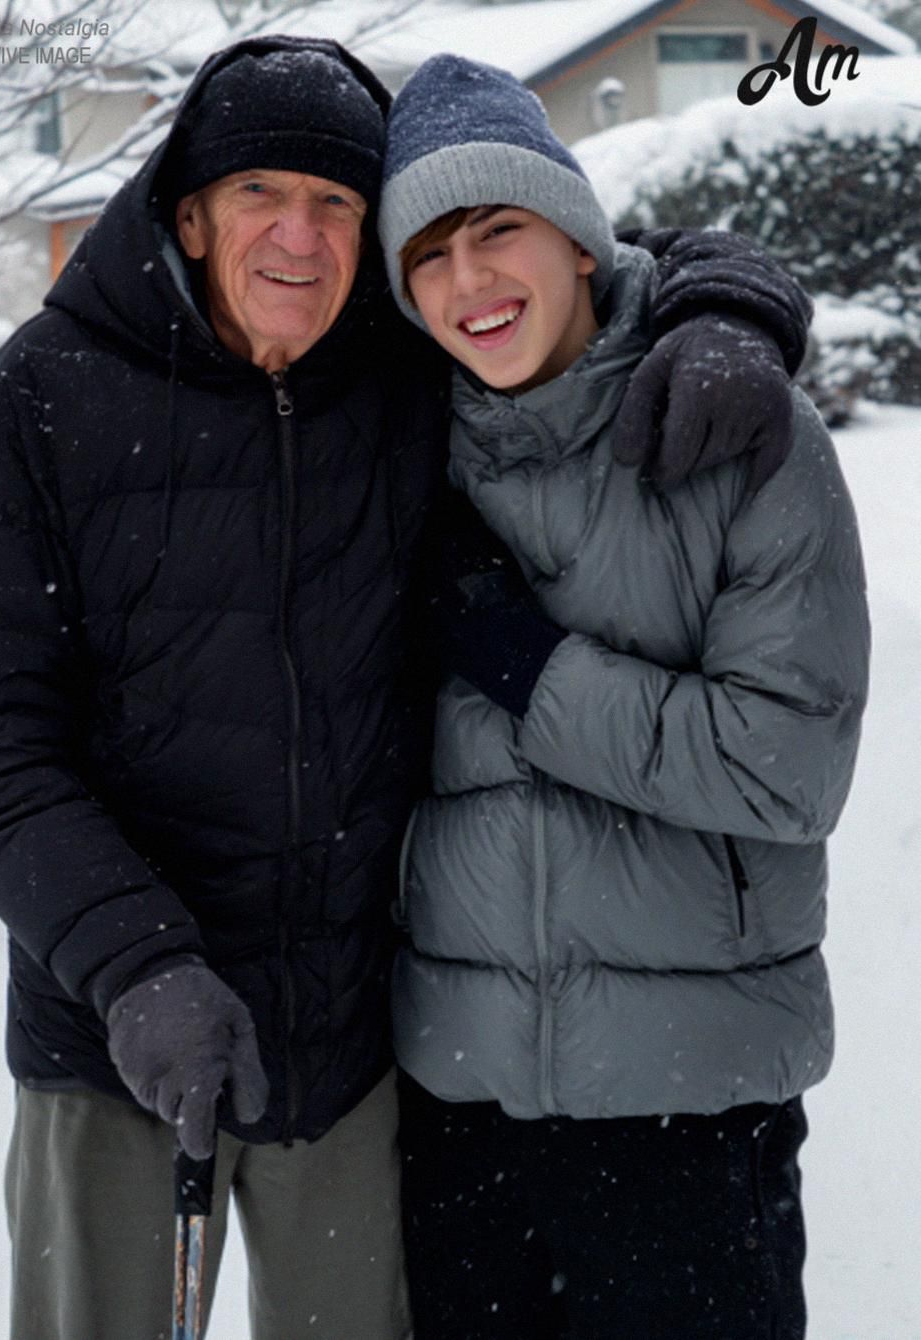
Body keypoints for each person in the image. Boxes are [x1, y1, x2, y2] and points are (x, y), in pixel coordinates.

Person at [0, 33, 814, 1340]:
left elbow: (576, 266)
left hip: (347, 1040)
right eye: (259, 193)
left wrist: (733, 305)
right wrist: (134, 962)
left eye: (336, 202)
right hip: (114, 1038)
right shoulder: (47, 395)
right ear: (188, 213)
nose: (300, 235)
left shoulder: (400, 370)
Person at [377, 54, 869, 1340]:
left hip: (688, 1108)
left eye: (499, 229)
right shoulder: (392, 450)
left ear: (580, 239)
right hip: (462, 1107)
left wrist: (523, 662)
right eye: (427, 255)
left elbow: (784, 768)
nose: (469, 281)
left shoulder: (741, 430)